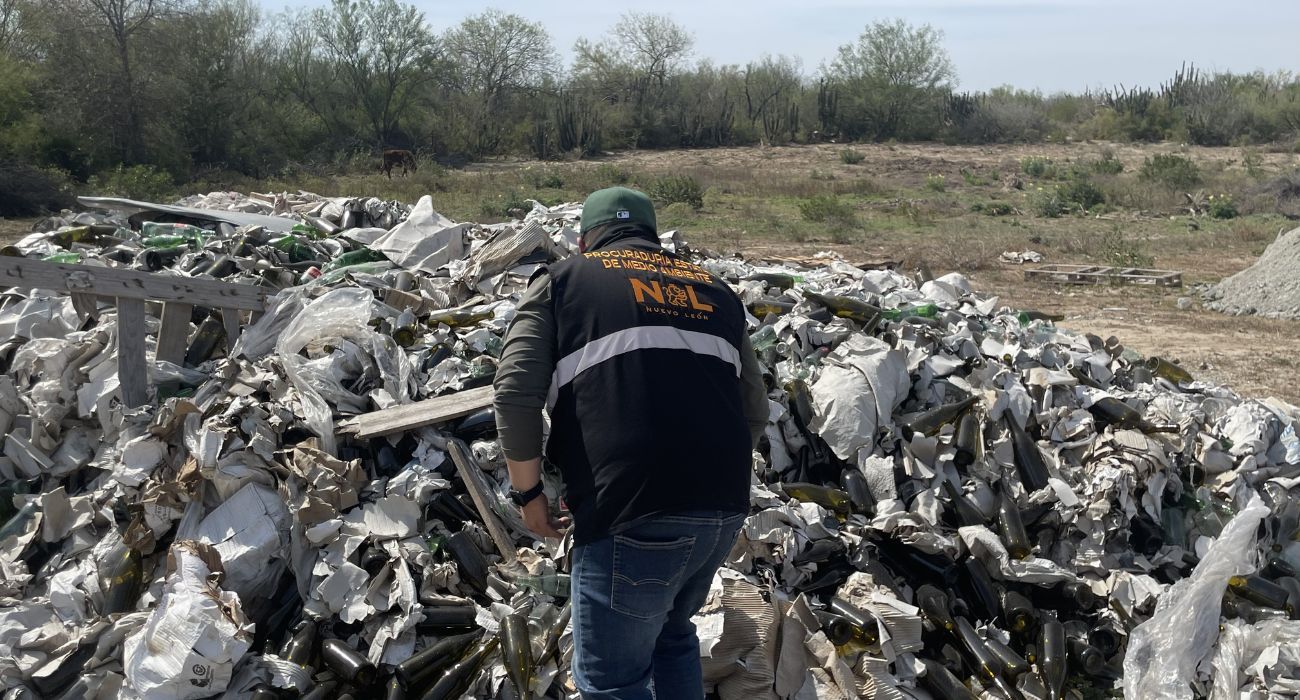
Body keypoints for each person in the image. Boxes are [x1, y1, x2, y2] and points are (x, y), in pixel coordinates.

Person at [493, 186, 768, 699]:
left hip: (630, 508)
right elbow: (755, 412)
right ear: (651, 235)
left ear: (583, 241)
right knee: (672, 636)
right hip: (722, 510)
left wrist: (529, 496)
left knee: (612, 682)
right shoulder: (715, 290)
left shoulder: (562, 282)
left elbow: (514, 393)